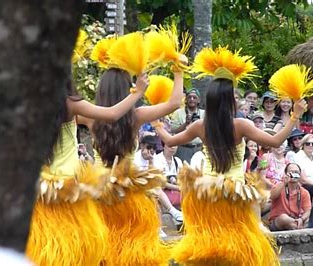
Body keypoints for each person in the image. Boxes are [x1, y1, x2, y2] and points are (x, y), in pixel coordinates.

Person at [153, 46, 308, 265]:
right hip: (234, 196)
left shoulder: (200, 125)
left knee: (210, 247)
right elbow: (275, 141)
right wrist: (294, 116)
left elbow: (169, 140)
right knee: (236, 250)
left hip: (206, 195)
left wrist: (157, 124)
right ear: (230, 100)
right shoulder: (241, 125)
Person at [86, 32, 188, 265]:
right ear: (127, 90)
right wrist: (178, 70)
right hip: (130, 193)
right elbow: (174, 102)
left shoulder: (90, 116)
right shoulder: (136, 116)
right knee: (132, 248)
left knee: (102, 250)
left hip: (98, 190)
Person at [25, 74, 148, 266]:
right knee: (77, 250)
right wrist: (138, 92)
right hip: (70, 191)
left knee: (49, 249)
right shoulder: (70, 104)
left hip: (44, 190)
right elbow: (112, 114)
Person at [269, 163, 312, 231]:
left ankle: (294, 225)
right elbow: (272, 196)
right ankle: (295, 225)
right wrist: (284, 182)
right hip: (279, 220)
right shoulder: (279, 186)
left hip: (297, 219)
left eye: (296, 172)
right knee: (284, 217)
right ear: (286, 174)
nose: (294, 174)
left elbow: (308, 211)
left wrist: (301, 219)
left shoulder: (304, 192)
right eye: (291, 172)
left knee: (308, 220)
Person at [170, 88, 205, 162]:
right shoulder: (178, 113)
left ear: (199, 100)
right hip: (183, 149)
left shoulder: (204, 114)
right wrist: (185, 123)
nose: (192, 99)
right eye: (189, 97)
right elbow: (173, 130)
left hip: (199, 148)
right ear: (186, 100)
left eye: (194, 97)